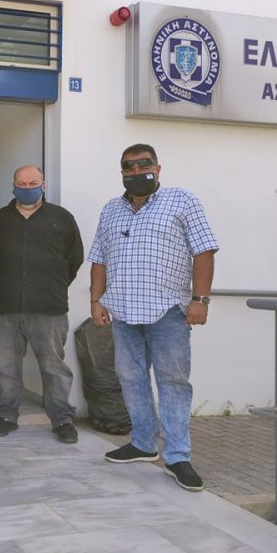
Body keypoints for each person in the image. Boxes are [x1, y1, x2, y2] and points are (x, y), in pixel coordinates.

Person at [88, 143, 219, 492]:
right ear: (122, 172)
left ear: (158, 169)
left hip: (168, 312)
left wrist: (200, 300)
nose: (136, 171)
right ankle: (144, 443)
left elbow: (204, 250)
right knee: (130, 378)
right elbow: (99, 258)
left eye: (143, 164)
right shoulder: (111, 209)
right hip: (123, 311)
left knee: (173, 382)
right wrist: (96, 300)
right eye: (128, 167)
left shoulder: (182, 201)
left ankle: (177, 456)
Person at [0, 165, 84, 443]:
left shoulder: (61, 218)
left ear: (43, 184)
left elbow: (74, 258)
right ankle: (6, 416)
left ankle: (62, 419)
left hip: (49, 307)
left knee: (54, 367)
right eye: (21, 183)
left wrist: (54, 284)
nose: (27, 188)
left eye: (33, 183)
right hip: (7, 306)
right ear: (13, 185)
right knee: (6, 366)